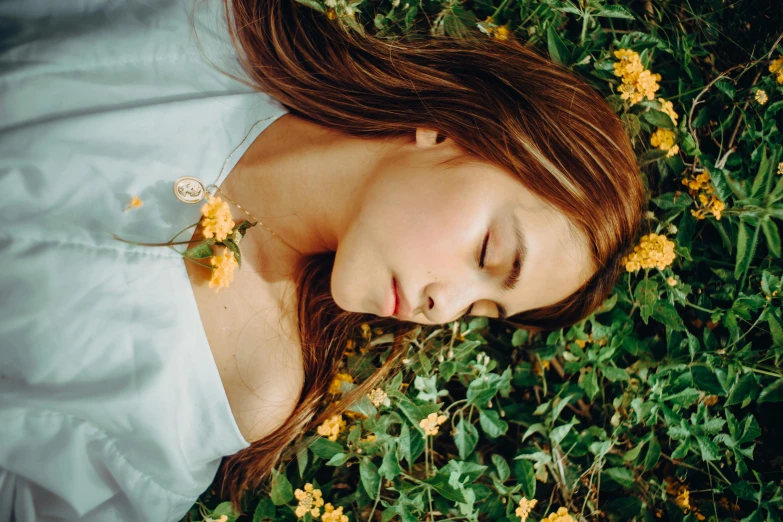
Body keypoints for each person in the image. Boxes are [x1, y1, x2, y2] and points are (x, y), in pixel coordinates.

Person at [0, 0, 646, 520]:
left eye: (480, 310)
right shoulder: (205, 32)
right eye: (486, 254)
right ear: (449, 127)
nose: (441, 307)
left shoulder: (243, 385)